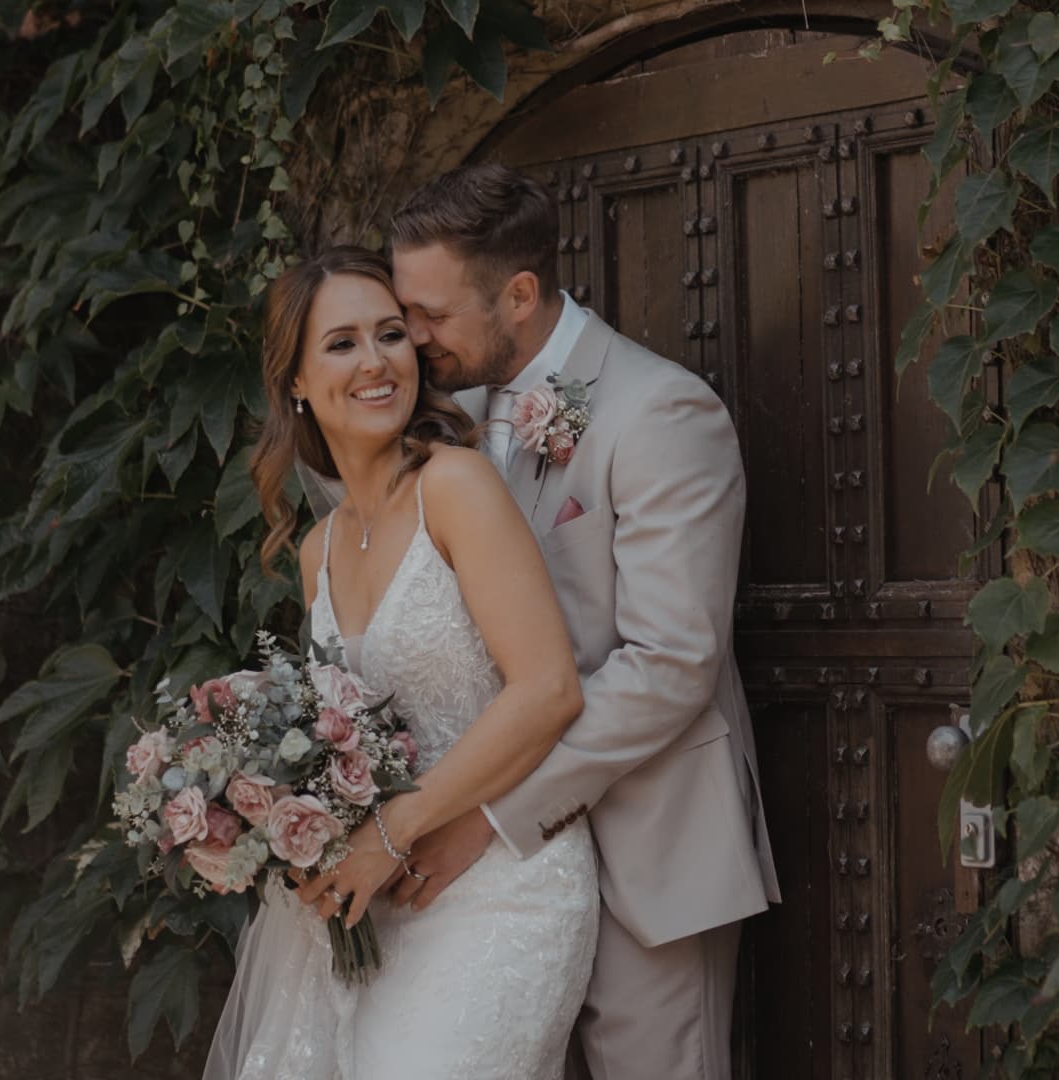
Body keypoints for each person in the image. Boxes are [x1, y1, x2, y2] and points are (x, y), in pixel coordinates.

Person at [377, 164, 779, 1080]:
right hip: (498, 894)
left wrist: (488, 813)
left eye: (432, 315)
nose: (414, 339)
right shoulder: (450, 419)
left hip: (649, 843)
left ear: (519, 294)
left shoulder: (662, 413)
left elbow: (671, 662)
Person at [206, 246, 599, 1080]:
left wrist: (390, 830)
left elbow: (548, 690)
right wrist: (248, 824)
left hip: (501, 888)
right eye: (342, 343)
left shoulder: (454, 487)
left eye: (391, 334)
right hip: (377, 898)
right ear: (298, 382)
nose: (378, 361)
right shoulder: (316, 550)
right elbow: (334, 740)